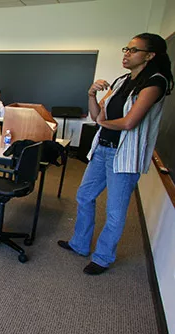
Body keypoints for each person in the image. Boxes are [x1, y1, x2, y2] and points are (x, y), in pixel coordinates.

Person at [58, 33, 173, 275]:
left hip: (125, 156)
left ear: (149, 55)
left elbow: (129, 122)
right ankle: (80, 244)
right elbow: (96, 114)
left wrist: (102, 121)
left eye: (133, 50)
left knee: (115, 211)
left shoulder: (155, 82)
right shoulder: (122, 81)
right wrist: (91, 95)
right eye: (126, 49)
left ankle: (102, 257)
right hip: (102, 150)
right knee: (84, 196)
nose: (126, 54)